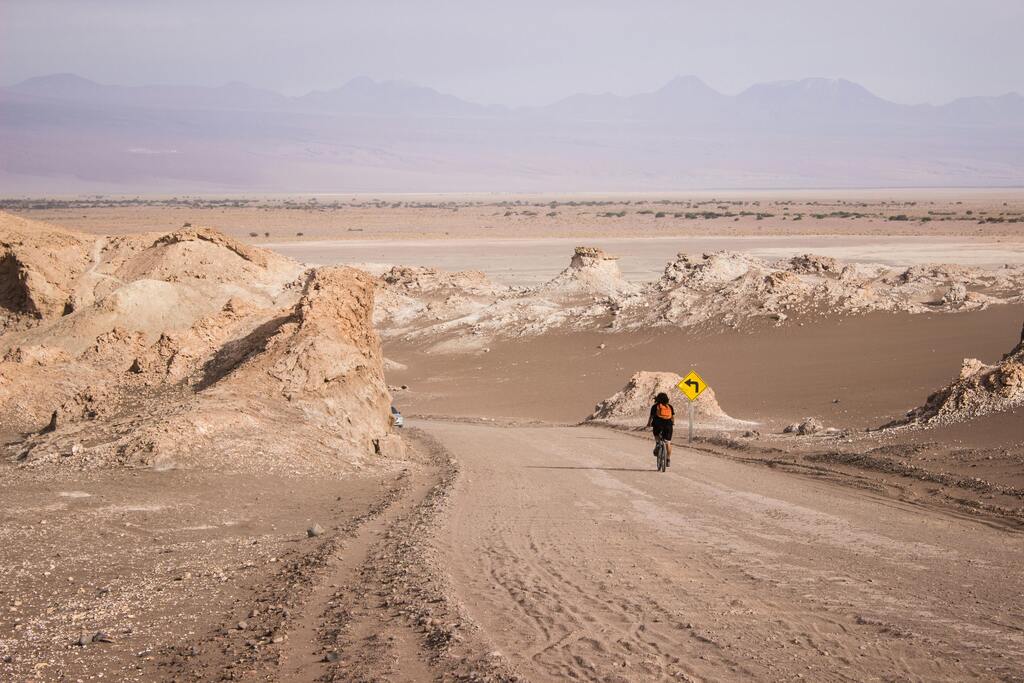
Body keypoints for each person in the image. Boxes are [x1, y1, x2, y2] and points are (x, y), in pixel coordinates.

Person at [645, 392, 674, 466]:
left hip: (658, 425)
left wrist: (648, 424)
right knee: (668, 443)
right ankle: (668, 459)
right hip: (668, 425)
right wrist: (672, 423)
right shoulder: (670, 406)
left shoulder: (655, 406)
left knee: (657, 435)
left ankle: (658, 444)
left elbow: (651, 417)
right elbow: (672, 417)